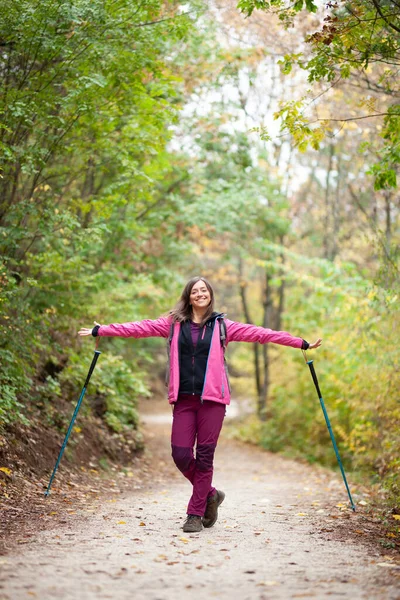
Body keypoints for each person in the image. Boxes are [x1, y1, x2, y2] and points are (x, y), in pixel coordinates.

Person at [78, 276, 322, 533]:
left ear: (210, 295)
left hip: (213, 402)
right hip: (184, 399)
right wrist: (102, 330)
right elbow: (139, 328)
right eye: (195, 291)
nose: (200, 294)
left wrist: (300, 342)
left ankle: (194, 515)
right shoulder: (172, 324)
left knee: (204, 459)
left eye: (204, 290)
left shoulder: (223, 326)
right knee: (181, 455)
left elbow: (261, 334)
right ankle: (211, 494)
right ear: (188, 296)